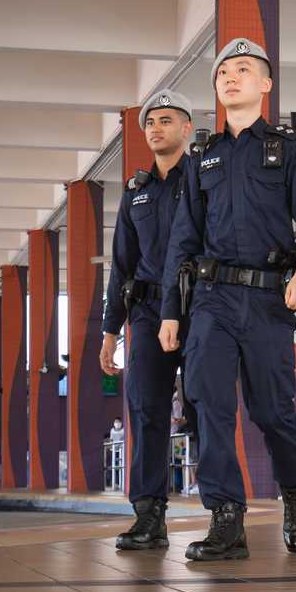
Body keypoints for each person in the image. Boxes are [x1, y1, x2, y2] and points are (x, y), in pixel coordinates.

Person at [159, 38, 296, 561]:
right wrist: (170, 310)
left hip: (266, 301)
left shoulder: (287, 148)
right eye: (223, 73)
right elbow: (182, 239)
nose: (230, 78)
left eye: (242, 70)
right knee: (208, 405)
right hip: (211, 300)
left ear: (265, 84)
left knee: (271, 411)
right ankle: (226, 519)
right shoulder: (202, 157)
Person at [100, 88, 196, 552]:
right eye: (150, 123)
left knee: (204, 408)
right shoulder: (136, 193)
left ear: (187, 128)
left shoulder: (202, 179)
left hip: (198, 309)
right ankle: (148, 515)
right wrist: (109, 332)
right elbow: (121, 264)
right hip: (146, 312)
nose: (156, 128)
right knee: (146, 411)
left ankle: (221, 512)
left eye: (166, 120)